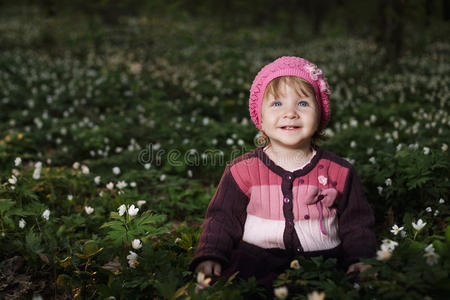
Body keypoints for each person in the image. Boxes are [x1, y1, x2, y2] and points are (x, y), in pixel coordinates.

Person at [189, 56, 377, 293]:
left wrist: (360, 258)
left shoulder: (340, 171)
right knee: (226, 287)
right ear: (260, 118)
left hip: (322, 265)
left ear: (320, 113)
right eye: (277, 104)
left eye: (303, 104)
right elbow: (222, 219)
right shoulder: (241, 170)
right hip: (256, 263)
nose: (290, 113)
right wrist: (211, 254)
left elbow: (356, 223)